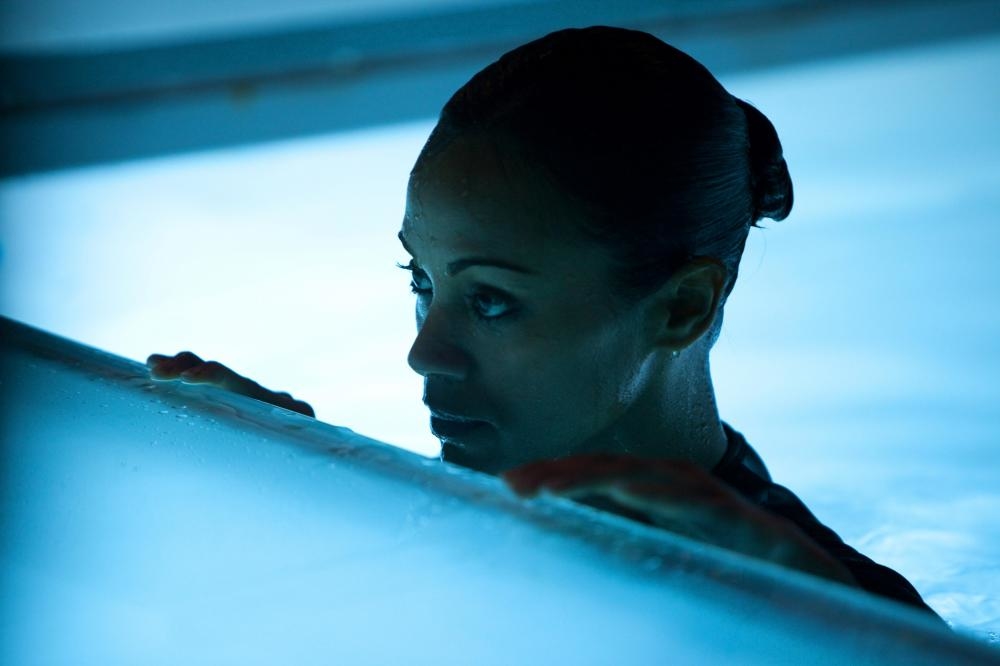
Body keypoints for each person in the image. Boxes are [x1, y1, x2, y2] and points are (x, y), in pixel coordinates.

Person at [148, 26, 942, 619]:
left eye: (492, 300)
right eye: (420, 281)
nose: (425, 352)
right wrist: (300, 491)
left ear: (681, 307)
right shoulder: (475, 522)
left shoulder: (834, 616)